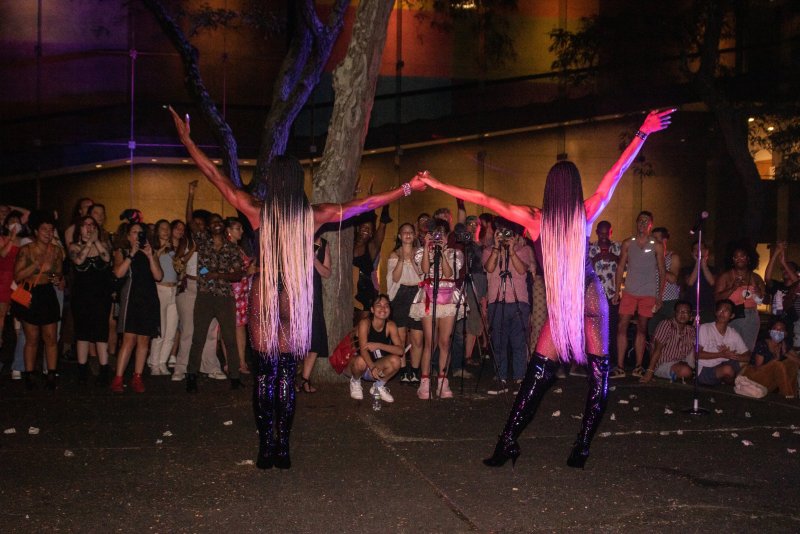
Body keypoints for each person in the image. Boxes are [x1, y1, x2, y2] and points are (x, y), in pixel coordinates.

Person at [169, 106, 425, 469]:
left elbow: (216, 176)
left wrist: (187, 140)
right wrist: (406, 187)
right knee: (287, 373)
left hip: (265, 297)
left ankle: (265, 447)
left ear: (273, 181)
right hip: (295, 296)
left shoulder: (257, 210)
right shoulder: (312, 214)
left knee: (266, 373)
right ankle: (283, 447)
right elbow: (363, 204)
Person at [420, 108, 675, 468]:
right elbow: (616, 173)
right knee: (591, 377)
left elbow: (483, 198)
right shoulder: (584, 213)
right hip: (585, 300)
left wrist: (437, 183)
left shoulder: (535, 219)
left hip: (568, 305)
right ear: (574, 188)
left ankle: (511, 442)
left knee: (538, 377)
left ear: (549, 188)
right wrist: (643, 133)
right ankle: (575, 446)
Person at [408, 221, 464, 400]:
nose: (438, 237)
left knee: (445, 342)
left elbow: (449, 274)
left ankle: (442, 379)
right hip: (429, 297)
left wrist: (444, 252)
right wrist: (426, 247)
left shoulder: (455, 254)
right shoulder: (421, 252)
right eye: (435, 234)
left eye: (442, 234)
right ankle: (424, 382)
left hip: (447, 298)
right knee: (429, 342)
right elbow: (424, 269)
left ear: (448, 236)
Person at [12, 211, 64, 390]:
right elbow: (18, 276)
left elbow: (58, 273)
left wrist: (57, 279)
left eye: (51, 229)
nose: (48, 233)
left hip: (47, 293)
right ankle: (29, 375)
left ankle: (51, 374)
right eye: (44, 229)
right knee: (32, 338)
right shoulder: (26, 250)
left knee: (50, 337)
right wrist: (38, 266)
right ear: (36, 231)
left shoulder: (56, 251)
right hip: (30, 293)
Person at [110, 221, 163, 393]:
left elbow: (158, 276)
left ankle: (137, 377)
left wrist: (149, 256)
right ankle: (118, 378)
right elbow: (118, 273)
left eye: (140, 233)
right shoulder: (122, 251)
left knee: (144, 340)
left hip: (148, 298)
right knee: (129, 339)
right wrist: (131, 254)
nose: (137, 235)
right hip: (131, 298)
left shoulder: (150, 251)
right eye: (134, 232)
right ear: (127, 235)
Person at [483, 219, 534, 394]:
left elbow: (522, 270)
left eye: (507, 233)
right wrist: (496, 248)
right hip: (496, 301)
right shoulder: (489, 251)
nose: (504, 236)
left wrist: (511, 251)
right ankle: (500, 378)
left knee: (519, 343)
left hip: (519, 301)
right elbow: (489, 268)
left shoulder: (524, 250)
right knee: (498, 342)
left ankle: (520, 378)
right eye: (500, 232)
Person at [613, 211, 665, 378]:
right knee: (622, 326)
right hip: (629, 291)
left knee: (642, 328)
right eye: (640, 221)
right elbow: (620, 267)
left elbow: (662, 271)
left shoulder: (656, 245)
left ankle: (638, 366)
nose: (642, 224)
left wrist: (660, 295)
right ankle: (620, 366)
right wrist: (617, 291)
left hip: (648, 293)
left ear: (650, 225)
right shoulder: (628, 243)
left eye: (646, 221)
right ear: (636, 223)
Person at [68, 215, 113, 385]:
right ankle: (82, 370)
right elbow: (78, 261)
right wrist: (88, 244)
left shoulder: (103, 244)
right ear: (79, 229)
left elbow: (107, 258)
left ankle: (104, 369)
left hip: (101, 296)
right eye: (85, 225)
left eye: (92, 225)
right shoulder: (74, 247)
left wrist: (97, 242)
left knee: (101, 333)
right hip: (82, 297)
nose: (89, 228)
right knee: (83, 333)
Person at [346, 294, 403, 402]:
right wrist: (372, 367)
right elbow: (363, 350)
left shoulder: (390, 325)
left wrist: (379, 345)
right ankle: (355, 382)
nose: (383, 308)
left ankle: (378, 386)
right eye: (379, 305)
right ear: (372, 309)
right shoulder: (365, 323)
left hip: (378, 366)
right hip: (360, 366)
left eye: (386, 305)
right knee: (360, 360)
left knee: (396, 360)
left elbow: (400, 350)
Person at [387, 223, 424, 384]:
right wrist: (403, 258)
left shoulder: (420, 253)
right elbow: (394, 278)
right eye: (404, 232)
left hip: (417, 295)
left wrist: (413, 260)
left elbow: (422, 274)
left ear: (414, 235)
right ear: (399, 236)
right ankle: (402, 371)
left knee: (417, 337)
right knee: (400, 337)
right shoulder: (394, 254)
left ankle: (415, 371)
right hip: (400, 295)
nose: (408, 235)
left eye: (410, 232)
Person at [714, 242, 765, 351]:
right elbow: (717, 298)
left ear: (748, 258)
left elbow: (765, 300)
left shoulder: (756, 277)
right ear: (732, 259)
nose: (739, 259)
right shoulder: (726, 276)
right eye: (736, 257)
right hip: (732, 315)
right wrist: (732, 288)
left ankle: (744, 368)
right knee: (730, 348)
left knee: (747, 349)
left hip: (751, 316)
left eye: (742, 256)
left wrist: (759, 294)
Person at [298, 234, 331, 393]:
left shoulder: (323, 244)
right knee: (295, 340)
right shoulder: (295, 239)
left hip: (314, 298)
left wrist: (314, 260)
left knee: (315, 338)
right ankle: (289, 379)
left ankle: (305, 379)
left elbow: (326, 273)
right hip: (295, 296)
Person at [148, 219, 180, 376]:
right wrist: (161, 249)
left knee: (171, 331)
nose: (166, 231)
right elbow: (151, 261)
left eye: (168, 228)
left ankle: (162, 362)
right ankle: (154, 363)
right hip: (159, 289)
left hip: (174, 290)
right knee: (160, 330)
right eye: (162, 228)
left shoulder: (175, 249)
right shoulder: (152, 248)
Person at [740, 319, 799, 398]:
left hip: (768, 381)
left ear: (785, 334)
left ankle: (791, 395)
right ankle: (788, 398)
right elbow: (758, 368)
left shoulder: (784, 345)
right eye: (775, 329)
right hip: (753, 379)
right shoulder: (762, 344)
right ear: (770, 331)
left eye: (781, 330)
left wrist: (785, 354)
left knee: (791, 363)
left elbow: (798, 362)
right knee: (778, 365)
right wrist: (775, 359)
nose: (778, 332)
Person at [697, 299, 750, 386]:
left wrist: (732, 355)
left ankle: (729, 384)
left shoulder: (733, 333)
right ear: (716, 313)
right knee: (727, 369)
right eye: (720, 310)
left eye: (726, 310)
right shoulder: (705, 328)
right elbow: (697, 354)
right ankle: (732, 389)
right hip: (705, 369)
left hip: (722, 364)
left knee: (746, 365)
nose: (722, 313)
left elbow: (748, 356)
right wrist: (721, 354)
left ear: (732, 315)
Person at [640, 300, 695, 383]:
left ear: (690, 315)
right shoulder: (666, 325)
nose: (682, 314)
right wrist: (650, 371)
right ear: (674, 313)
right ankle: (682, 375)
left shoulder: (691, 330)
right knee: (685, 371)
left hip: (681, 362)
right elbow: (656, 350)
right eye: (679, 311)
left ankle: (683, 375)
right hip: (664, 364)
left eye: (686, 312)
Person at [1, 210, 24, 355]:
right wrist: (11, 237)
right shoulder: (2, 238)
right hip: (3, 280)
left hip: (19, 281)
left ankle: (20, 355)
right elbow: (3, 254)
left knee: (20, 315)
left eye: (17, 221)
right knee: (1, 315)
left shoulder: (24, 241)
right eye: (11, 222)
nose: (14, 224)